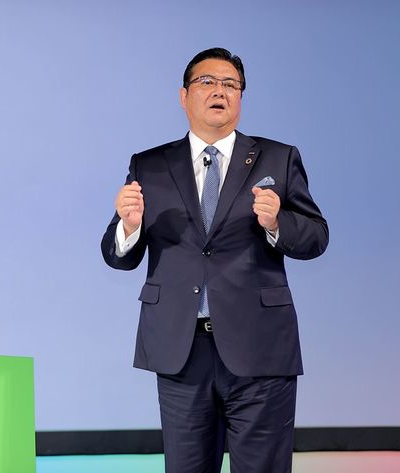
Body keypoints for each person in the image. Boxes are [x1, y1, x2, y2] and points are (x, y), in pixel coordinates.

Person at [100, 47, 328, 473]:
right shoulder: (149, 165)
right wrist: (130, 226)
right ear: (184, 96)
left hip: (260, 347)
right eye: (207, 82)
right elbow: (117, 256)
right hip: (181, 349)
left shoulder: (278, 158)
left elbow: (316, 237)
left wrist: (277, 223)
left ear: (240, 97)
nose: (219, 91)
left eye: (230, 84)